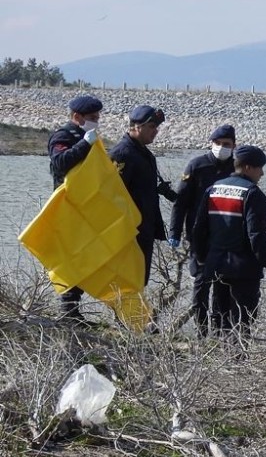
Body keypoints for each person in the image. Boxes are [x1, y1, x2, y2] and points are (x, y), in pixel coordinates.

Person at [191, 145, 266, 333]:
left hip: (216, 267)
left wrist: (201, 258)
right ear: (248, 167)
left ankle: (218, 359)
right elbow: (256, 237)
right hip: (244, 270)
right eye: (260, 168)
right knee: (242, 323)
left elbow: (199, 229)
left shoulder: (213, 189)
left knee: (220, 319)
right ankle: (238, 360)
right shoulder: (253, 194)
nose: (262, 173)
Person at [168, 124, 237, 336]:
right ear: (211, 143)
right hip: (199, 235)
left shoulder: (236, 168)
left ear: (234, 146)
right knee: (201, 285)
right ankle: (201, 331)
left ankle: (218, 331)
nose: (222, 147)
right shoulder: (197, 165)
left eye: (226, 144)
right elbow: (181, 203)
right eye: (218, 143)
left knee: (223, 286)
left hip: (226, 237)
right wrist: (174, 232)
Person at [47, 94, 102, 322]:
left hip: (87, 206)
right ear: (76, 116)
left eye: (98, 117)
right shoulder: (63, 136)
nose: (96, 120)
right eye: (91, 117)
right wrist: (84, 144)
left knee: (84, 256)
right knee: (71, 258)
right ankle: (67, 310)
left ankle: (74, 309)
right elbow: (59, 164)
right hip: (68, 206)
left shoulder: (86, 136)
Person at [108, 105, 178, 287]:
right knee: (126, 280)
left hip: (143, 228)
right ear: (137, 126)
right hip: (128, 232)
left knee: (140, 279)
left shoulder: (144, 154)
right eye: (152, 126)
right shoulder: (122, 154)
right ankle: (122, 316)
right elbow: (111, 194)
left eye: (156, 127)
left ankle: (132, 315)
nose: (156, 131)